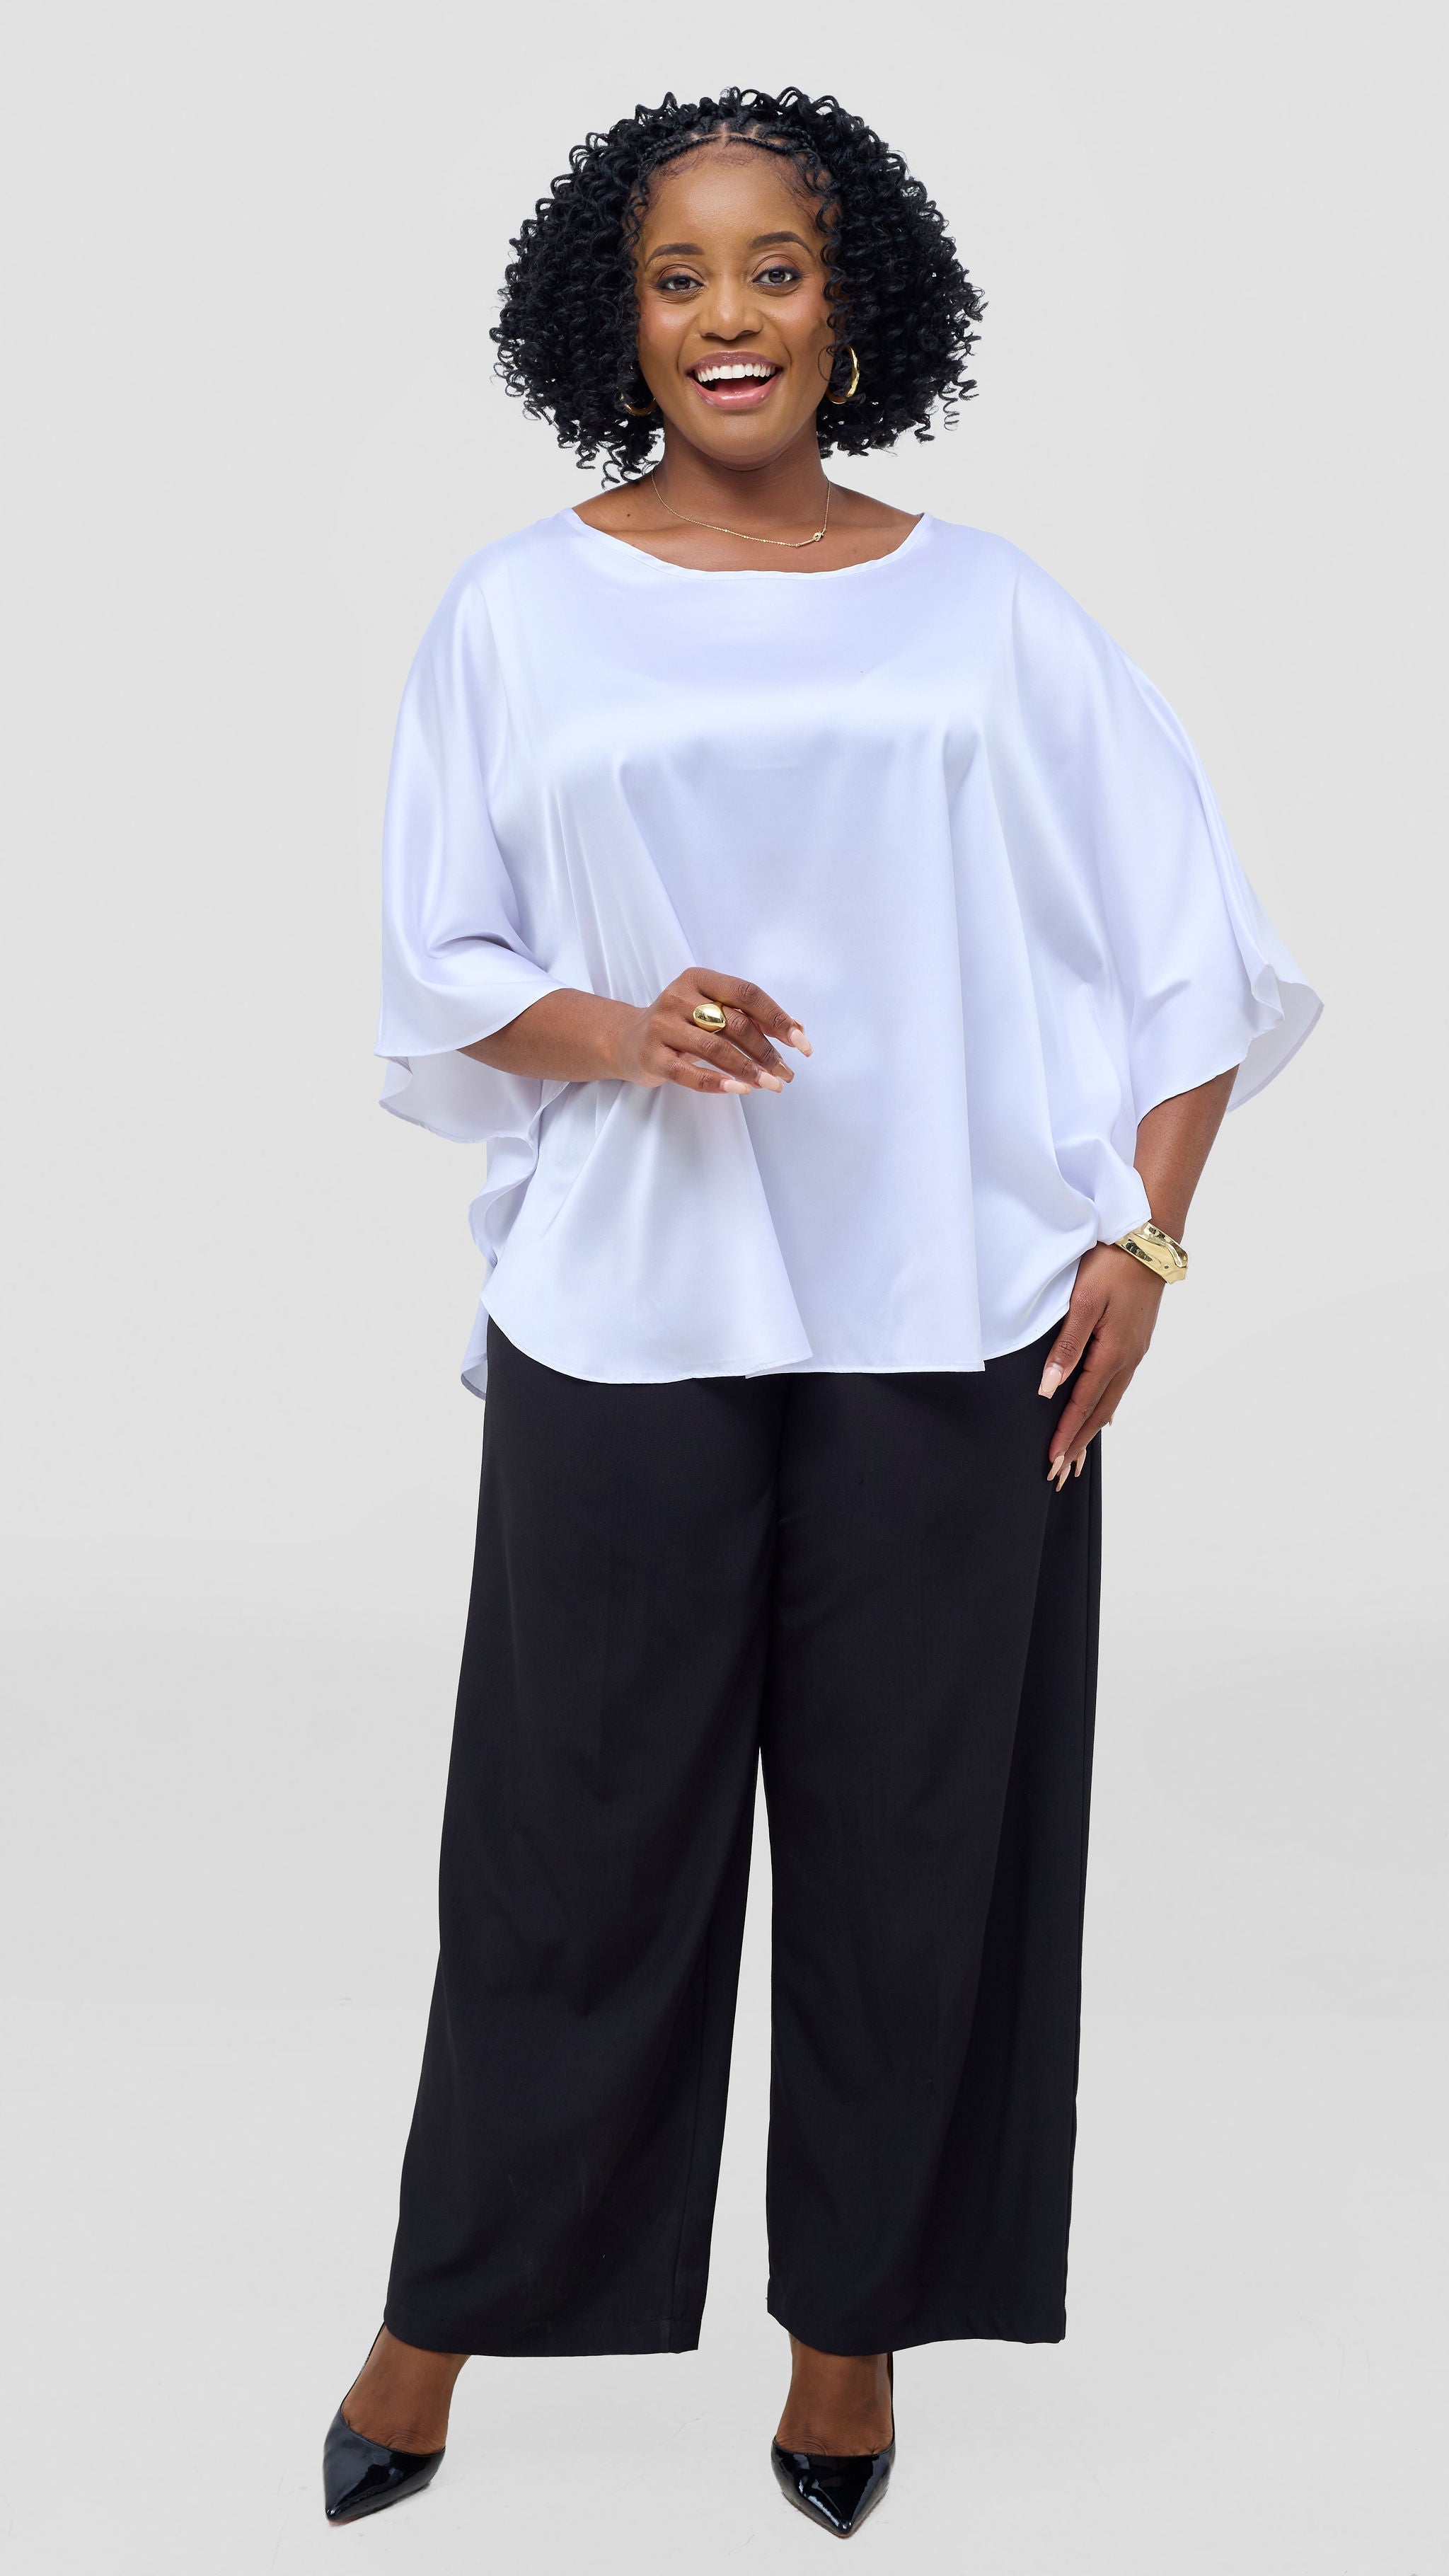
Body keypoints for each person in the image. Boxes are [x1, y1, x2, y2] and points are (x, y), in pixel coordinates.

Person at [321, 86, 1320, 2539]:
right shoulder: (517, 610)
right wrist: (623, 1025)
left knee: (922, 1847)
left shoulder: (992, 611)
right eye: (679, 275)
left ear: (854, 298)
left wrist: (1147, 1241)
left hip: (951, 1326)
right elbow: (440, 962)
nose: (730, 317)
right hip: (626, 1313)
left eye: (774, 266)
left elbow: (1195, 947)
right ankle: (441, 2315)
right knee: (570, 1853)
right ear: (615, 312)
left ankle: (850, 2336)